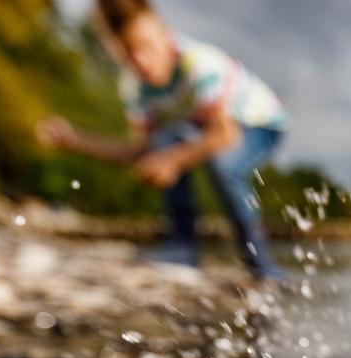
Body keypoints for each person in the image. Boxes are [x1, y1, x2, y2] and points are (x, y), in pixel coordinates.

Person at [38, 0, 288, 280]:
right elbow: (139, 151)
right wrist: (74, 140)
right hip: (208, 130)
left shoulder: (199, 65)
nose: (141, 62)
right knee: (167, 141)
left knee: (224, 165)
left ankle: (262, 266)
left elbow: (225, 135)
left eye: (145, 47)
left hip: (260, 122)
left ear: (164, 33)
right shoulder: (136, 89)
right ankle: (182, 248)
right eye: (129, 55)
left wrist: (172, 159)